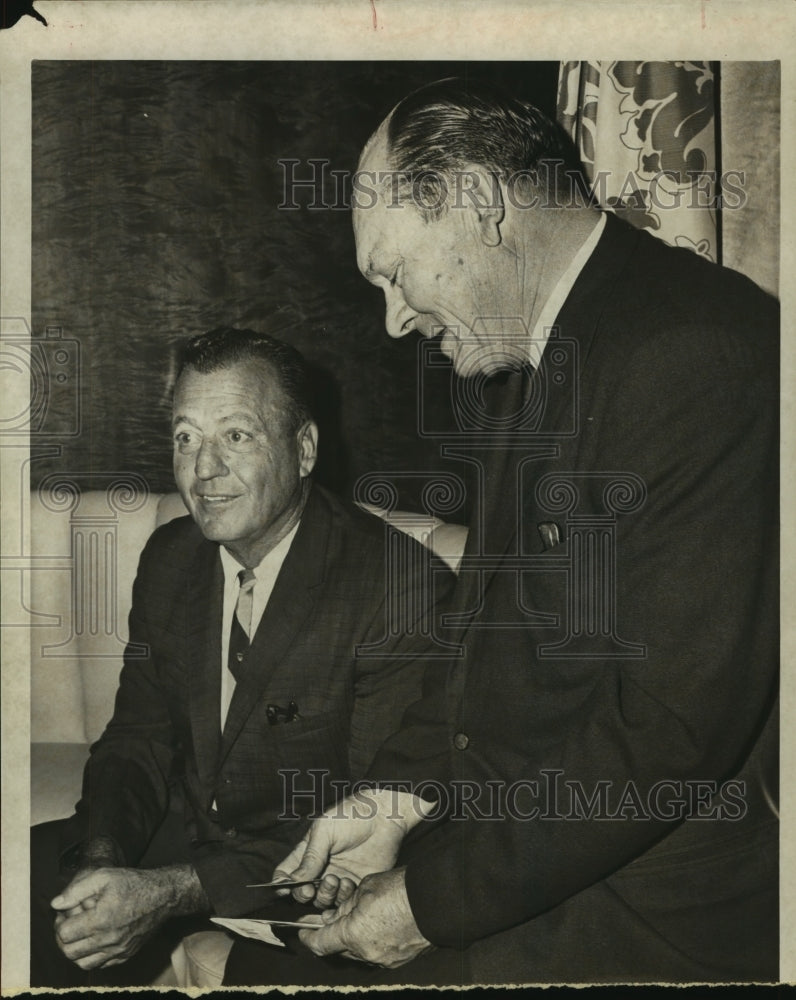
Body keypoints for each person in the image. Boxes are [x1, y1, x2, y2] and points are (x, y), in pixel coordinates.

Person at [226, 79, 779, 985]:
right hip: (532, 858)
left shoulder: (698, 350)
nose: (394, 321)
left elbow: (668, 733)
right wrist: (401, 795)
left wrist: (429, 904)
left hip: (649, 914)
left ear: (480, 204)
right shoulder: (521, 357)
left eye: (393, 273)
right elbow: (486, 633)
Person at [30, 326, 455, 987]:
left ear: (304, 448)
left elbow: (365, 818)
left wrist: (169, 892)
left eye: (235, 435)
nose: (203, 469)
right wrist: (102, 858)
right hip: (182, 836)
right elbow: (137, 738)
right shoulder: (171, 558)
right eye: (185, 437)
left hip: (311, 880)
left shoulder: (399, 587)